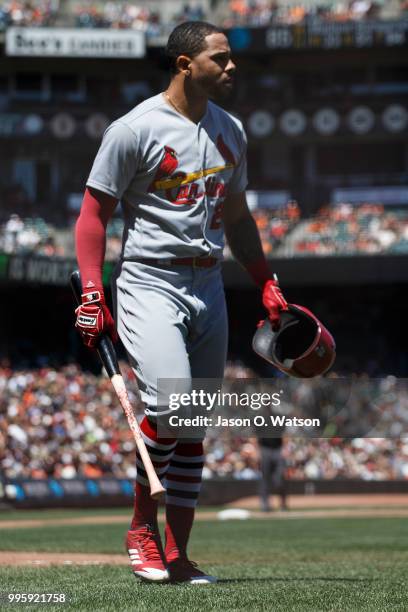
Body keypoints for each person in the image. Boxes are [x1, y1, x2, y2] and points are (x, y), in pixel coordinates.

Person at [74, 21, 289, 584]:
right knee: (171, 407)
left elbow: (238, 218)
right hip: (149, 280)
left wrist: (264, 279)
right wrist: (94, 292)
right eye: (220, 58)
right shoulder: (134, 129)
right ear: (184, 65)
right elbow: (92, 216)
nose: (232, 67)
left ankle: (178, 553)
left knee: (194, 423)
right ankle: (142, 527)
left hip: (210, 282)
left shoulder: (232, 130)